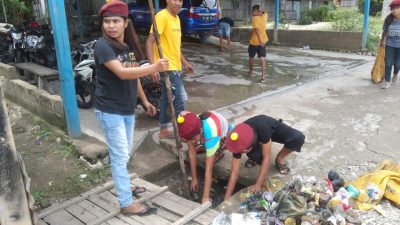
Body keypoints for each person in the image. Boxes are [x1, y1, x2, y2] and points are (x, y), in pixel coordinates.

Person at [95, 0, 169, 215]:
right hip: (110, 110)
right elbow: (122, 73)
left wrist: (145, 101)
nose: (111, 25)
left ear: (125, 23)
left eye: (116, 21)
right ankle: (126, 203)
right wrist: (154, 67)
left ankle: (125, 185)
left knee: (124, 153)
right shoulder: (103, 46)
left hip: (126, 109)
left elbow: (133, 77)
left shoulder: (127, 48)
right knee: (119, 156)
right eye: (107, 21)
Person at [224, 115, 305, 199]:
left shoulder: (262, 127)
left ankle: (279, 159)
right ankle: (254, 157)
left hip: (270, 128)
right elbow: (234, 173)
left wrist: (258, 184)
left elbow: (267, 157)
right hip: (255, 138)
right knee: (256, 156)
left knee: (298, 138)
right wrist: (226, 198)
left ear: (251, 145)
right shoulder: (237, 143)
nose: (240, 154)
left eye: (243, 152)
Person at [146, 0, 194, 139]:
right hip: (165, 67)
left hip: (174, 66)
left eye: (180, 0)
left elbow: (175, 47)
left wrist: (185, 63)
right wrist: (152, 68)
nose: (178, 3)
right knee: (180, 98)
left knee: (167, 98)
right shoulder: (162, 16)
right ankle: (180, 129)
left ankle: (163, 129)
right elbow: (150, 41)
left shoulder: (177, 18)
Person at [177, 111, 234, 203]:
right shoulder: (190, 122)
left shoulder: (212, 134)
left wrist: (205, 197)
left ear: (200, 130)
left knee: (208, 160)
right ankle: (207, 147)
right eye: (189, 140)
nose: (191, 142)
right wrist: (194, 178)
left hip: (226, 135)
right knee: (194, 146)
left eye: (194, 139)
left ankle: (219, 151)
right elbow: (192, 153)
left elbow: (209, 169)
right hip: (207, 134)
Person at [380, 0, 400, 89]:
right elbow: (385, 30)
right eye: (393, 9)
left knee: (398, 64)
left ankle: (395, 74)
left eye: (397, 8)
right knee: (388, 63)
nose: (395, 10)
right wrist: (382, 40)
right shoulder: (389, 19)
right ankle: (387, 81)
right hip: (389, 44)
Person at [248, 5, 268, 82]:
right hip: (264, 40)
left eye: (253, 11)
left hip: (255, 42)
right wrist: (261, 11)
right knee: (262, 58)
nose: (252, 13)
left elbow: (257, 30)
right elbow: (265, 11)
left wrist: (260, 41)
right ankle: (263, 76)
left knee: (251, 57)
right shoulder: (264, 16)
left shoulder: (255, 18)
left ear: (255, 11)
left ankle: (251, 72)